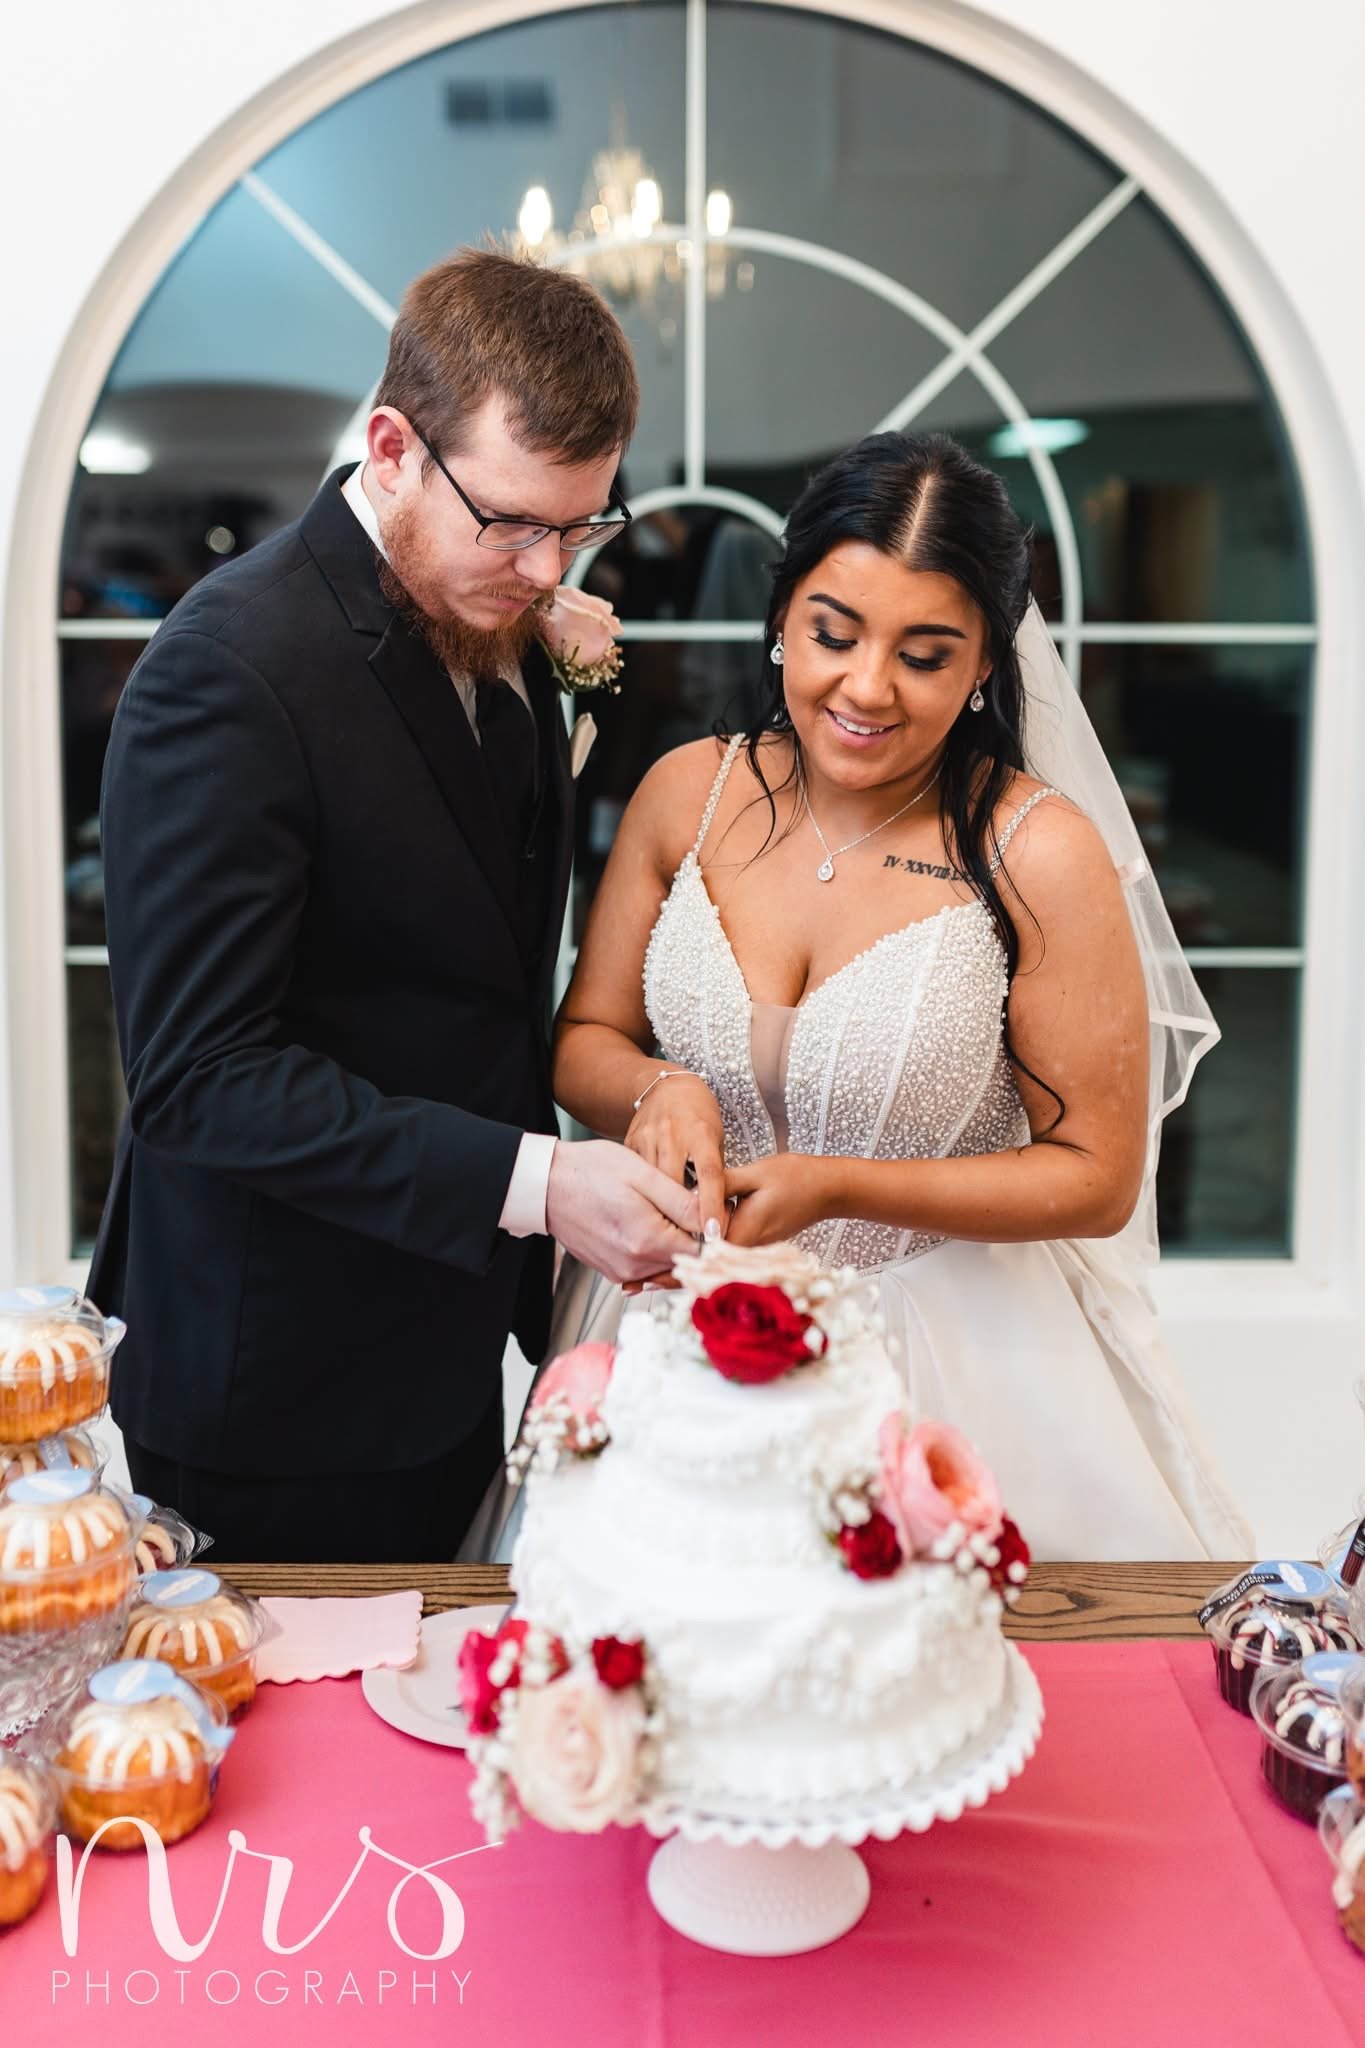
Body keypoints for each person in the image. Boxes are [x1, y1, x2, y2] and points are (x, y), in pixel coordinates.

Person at [518, 430, 1253, 1562]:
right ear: (782, 621)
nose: (866, 688)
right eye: (834, 633)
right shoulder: (685, 794)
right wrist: (660, 1086)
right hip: (675, 1327)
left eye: (926, 652)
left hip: (948, 1358)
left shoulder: (1038, 852)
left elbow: (1098, 1176)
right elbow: (587, 1037)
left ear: (983, 670)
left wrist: (836, 1184)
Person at [90, 248, 700, 1563]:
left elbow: (470, 980)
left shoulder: (485, 617)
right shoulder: (229, 673)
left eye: (579, 525)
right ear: (390, 447)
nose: (548, 571)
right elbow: (202, 1077)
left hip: (440, 1341)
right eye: (514, 522)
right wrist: (539, 1186)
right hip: (273, 1385)